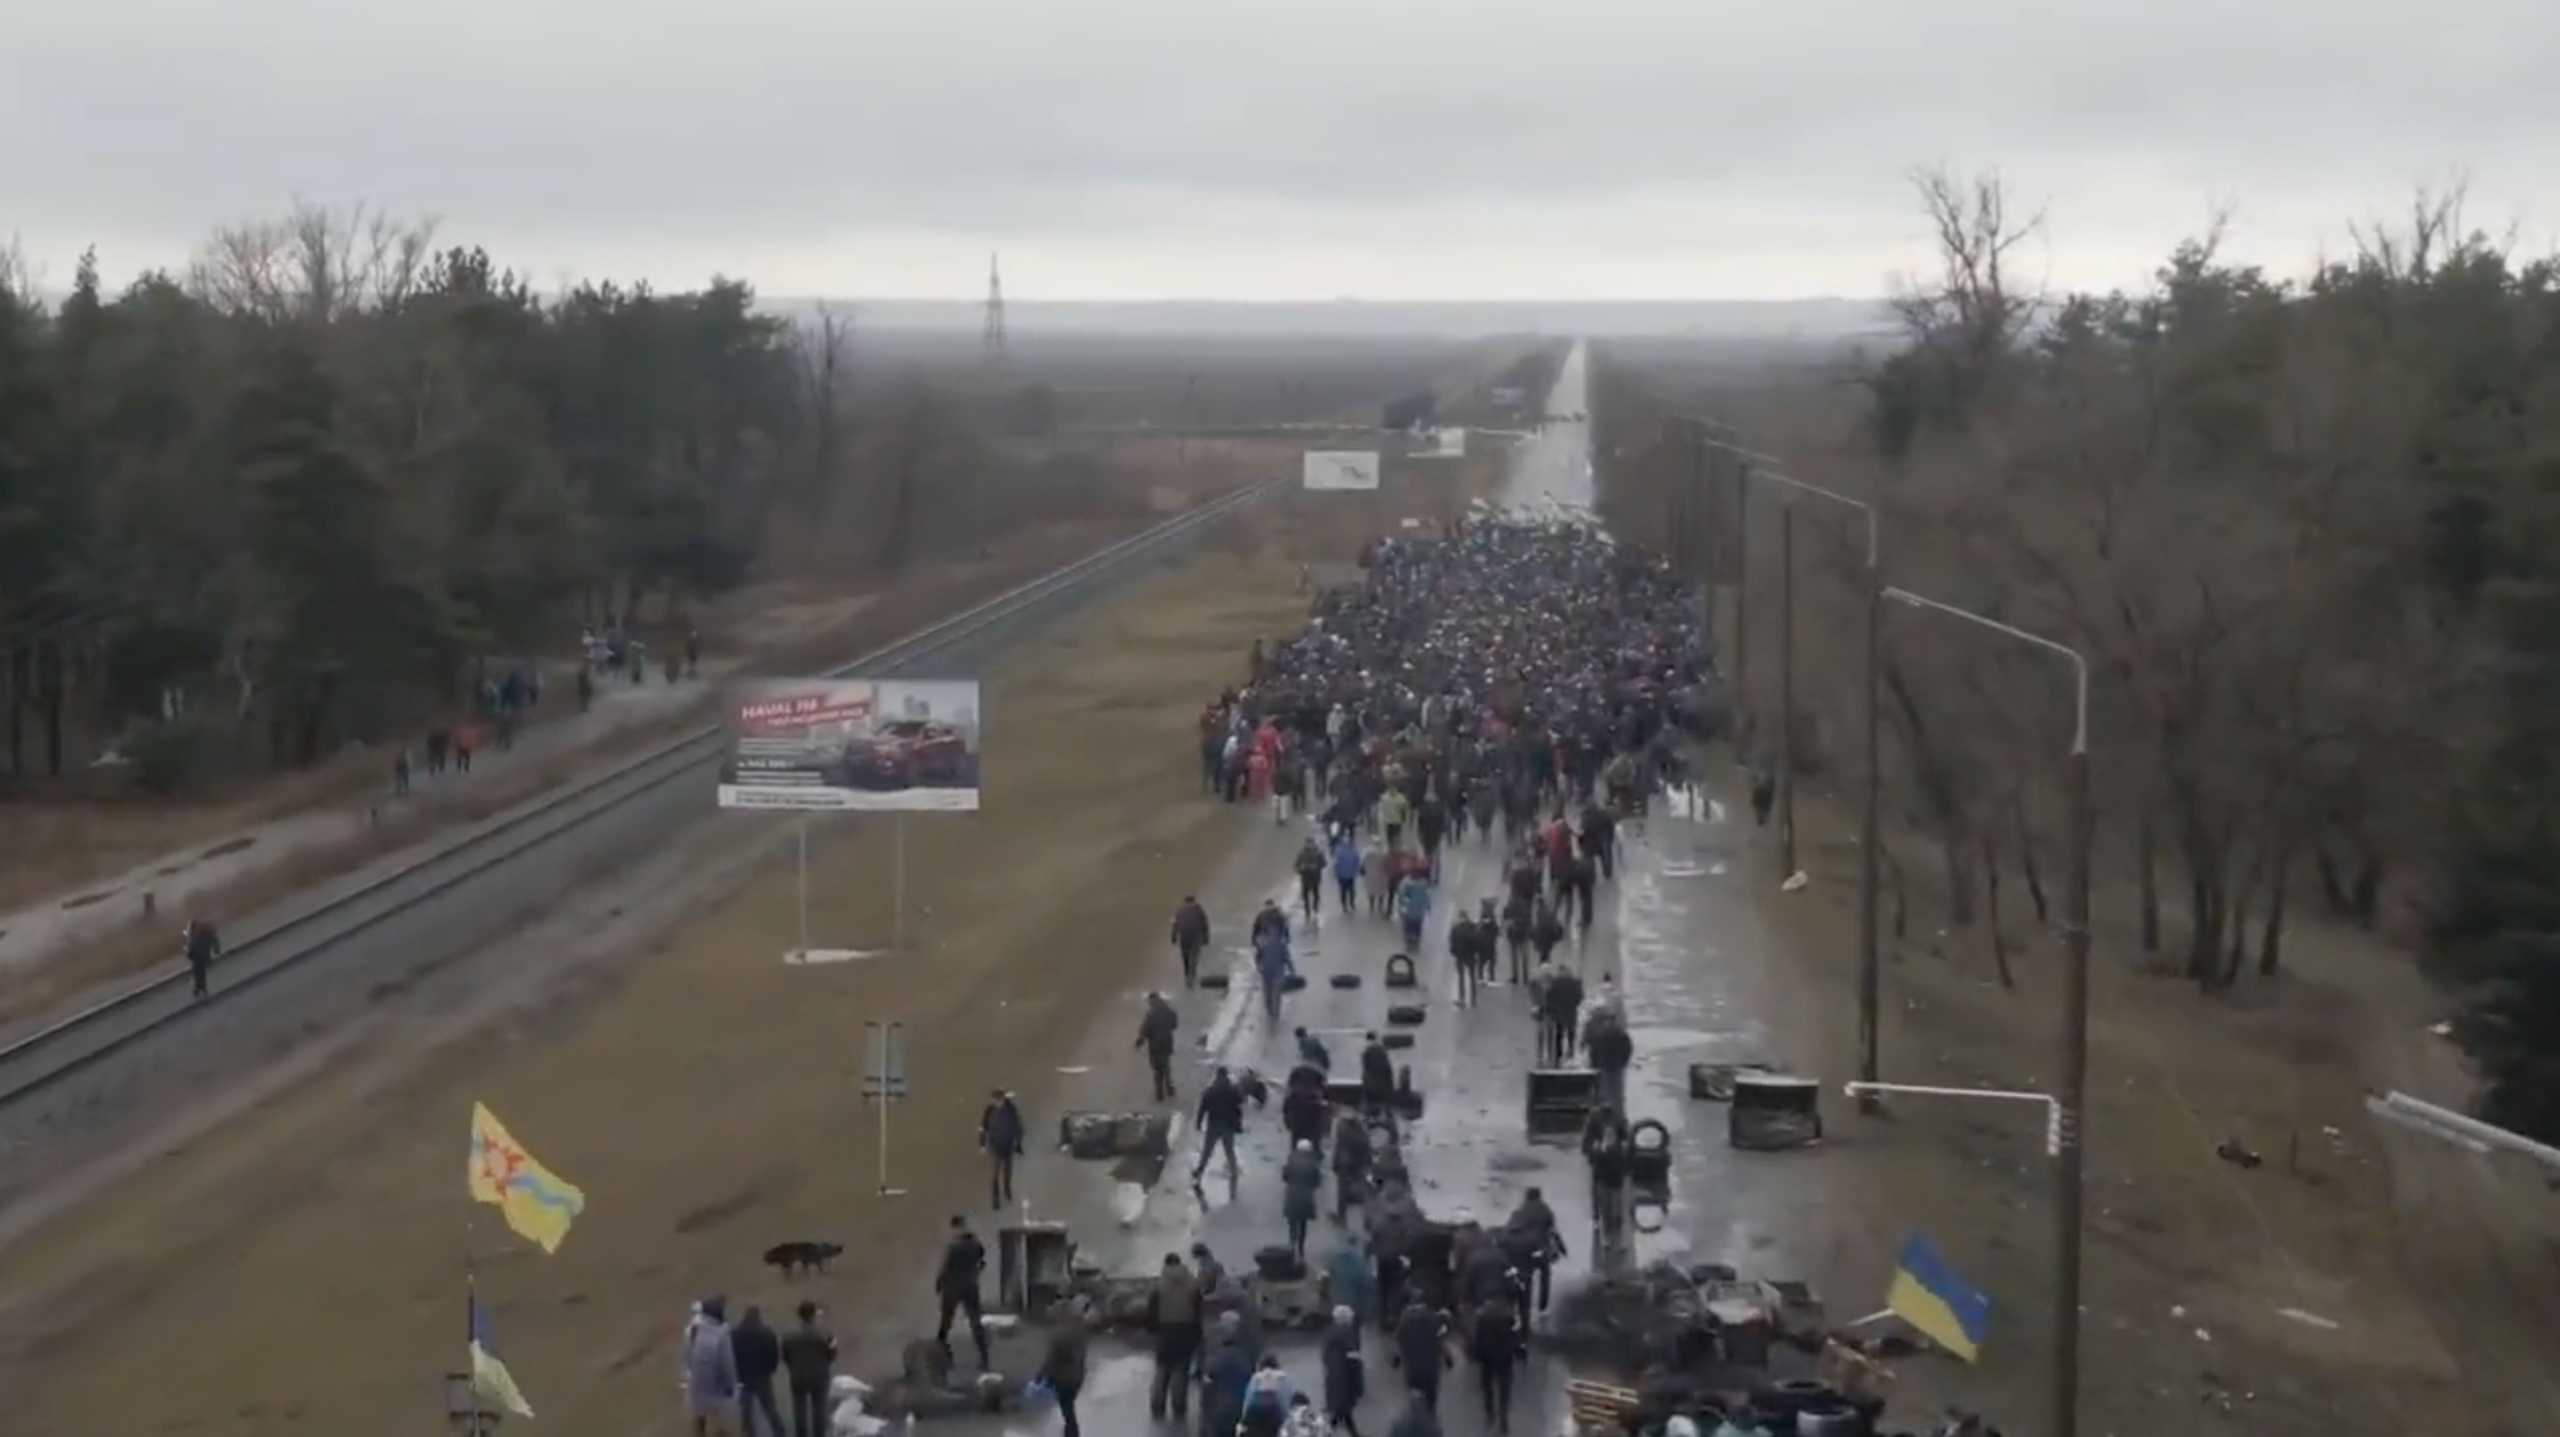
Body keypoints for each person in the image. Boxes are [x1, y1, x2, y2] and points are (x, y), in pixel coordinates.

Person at [1148, 1252, 1204, 1422]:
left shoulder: (1159, 1285)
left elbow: (1152, 1311)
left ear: (1166, 1265)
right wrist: (1197, 1333)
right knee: (1180, 1369)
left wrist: (1153, 1330)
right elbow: (1198, 1310)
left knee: (1161, 1368)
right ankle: (1178, 1407)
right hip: (1185, 1331)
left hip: (1165, 1332)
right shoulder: (1192, 1284)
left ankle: (1157, 1406)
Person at [934, 1215, 990, 1369]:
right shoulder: (976, 1244)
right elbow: (982, 1261)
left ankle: (940, 1356)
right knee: (976, 1322)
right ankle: (984, 1358)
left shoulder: (953, 1246)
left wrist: (938, 1284)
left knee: (945, 1323)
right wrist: (976, 1273)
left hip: (952, 1288)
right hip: (971, 1286)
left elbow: (945, 1268)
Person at [684, 1296, 741, 1437]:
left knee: (700, 1412)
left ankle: (700, 1432)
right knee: (720, 1415)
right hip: (716, 1382)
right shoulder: (722, 1334)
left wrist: (689, 1371)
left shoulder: (694, 1329)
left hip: (697, 1378)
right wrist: (730, 1384)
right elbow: (727, 1362)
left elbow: (687, 1353)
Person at [779, 1301, 837, 1437]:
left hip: (798, 1376)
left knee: (799, 1408)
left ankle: (801, 1434)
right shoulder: (826, 1334)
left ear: (800, 1316)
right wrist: (824, 1364)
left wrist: (793, 1367)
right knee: (819, 1408)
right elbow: (833, 1354)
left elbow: (784, 1356)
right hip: (819, 1377)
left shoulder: (788, 1336)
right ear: (813, 1316)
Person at [1469, 1288, 1522, 1433]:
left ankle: (1489, 1413)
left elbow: (1476, 1338)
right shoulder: (1509, 1314)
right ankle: (1503, 1416)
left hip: (1487, 1357)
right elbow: (1515, 1335)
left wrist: (1475, 1355)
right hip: (1505, 1357)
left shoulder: (1481, 1315)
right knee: (1505, 1388)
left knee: (1487, 1387)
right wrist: (1519, 1351)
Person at [1198, 1310, 1258, 1437]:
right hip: (1241, 1409)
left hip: (1221, 1411)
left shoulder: (1217, 1356)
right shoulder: (1245, 1354)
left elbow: (1208, 1384)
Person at [1502, 1188, 1561, 1315]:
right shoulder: (1546, 1210)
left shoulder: (1521, 1210)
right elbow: (1553, 1231)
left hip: (1525, 1248)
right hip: (1542, 1248)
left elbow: (1510, 1229)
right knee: (1545, 1276)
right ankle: (1543, 1305)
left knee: (1524, 1275)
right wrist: (1561, 1247)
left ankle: (1522, 1305)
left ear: (1527, 1196)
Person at [1390, 1299, 1451, 1415]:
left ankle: (1418, 1421)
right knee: (1431, 1402)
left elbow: (1398, 1342)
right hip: (1431, 1369)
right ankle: (1431, 1424)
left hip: (1413, 1370)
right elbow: (1441, 1341)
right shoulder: (1434, 1319)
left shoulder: (1405, 1320)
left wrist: (1396, 1360)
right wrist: (1448, 1359)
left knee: (1415, 1400)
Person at [731, 1304, 783, 1437]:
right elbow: (774, 1354)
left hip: (743, 1377)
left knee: (746, 1410)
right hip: (762, 1376)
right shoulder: (767, 1332)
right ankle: (779, 1432)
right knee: (770, 1408)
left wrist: (736, 1373)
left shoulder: (735, 1333)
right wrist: (771, 1369)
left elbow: (732, 1356)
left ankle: (749, 1433)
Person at [1038, 1305, 1090, 1437]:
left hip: (1064, 1377)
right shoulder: (1079, 1332)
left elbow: (1052, 1359)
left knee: (1067, 1408)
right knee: (1068, 1406)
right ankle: (1071, 1431)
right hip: (1078, 1375)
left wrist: (1040, 1376)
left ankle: (1072, 1433)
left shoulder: (1058, 1334)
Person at [1193, 1067, 1246, 1183]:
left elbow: (1202, 1108)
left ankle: (1200, 1170)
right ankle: (1234, 1171)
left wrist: (1198, 1123)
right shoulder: (1232, 1090)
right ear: (1226, 1076)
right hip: (1228, 1125)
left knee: (1207, 1150)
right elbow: (1240, 1101)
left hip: (1214, 1124)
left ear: (1217, 1076)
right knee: (1229, 1150)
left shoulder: (1211, 1090)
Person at [1322, 1304, 1367, 1436]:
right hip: (1346, 1381)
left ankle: (1351, 1433)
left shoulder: (1329, 1334)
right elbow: (1354, 1361)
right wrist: (1359, 1386)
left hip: (1333, 1379)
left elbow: (1324, 1357)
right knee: (1342, 1411)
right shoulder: (1348, 1334)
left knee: (1341, 1412)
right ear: (1346, 1319)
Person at [979, 1089, 1024, 1209]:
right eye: (993, 1101)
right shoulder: (989, 1110)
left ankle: (1007, 1190)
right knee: (994, 1175)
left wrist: (1019, 1145)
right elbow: (983, 1128)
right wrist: (982, 1144)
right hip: (994, 1148)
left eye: (997, 1101)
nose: (995, 1103)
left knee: (1007, 1174)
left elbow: (1018, 1127)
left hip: (1008, 1147)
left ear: (1002, 1100)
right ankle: (995, 1199)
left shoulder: (1011, 1110)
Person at [1586, 1005, 1635, 1114]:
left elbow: (1592, 1047)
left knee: (1605, 1092)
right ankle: (1616, 1115)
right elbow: (1627, 1048)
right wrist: (1623, 1062)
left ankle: (1608, 1113)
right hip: (1613, 1066)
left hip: (1607, 1066)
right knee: (1615, 1093)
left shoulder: (1596, 1031)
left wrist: (1594, 1063)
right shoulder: (1618, 1032)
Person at [1283, 1138, 1324, 1264]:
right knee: (1303, 1224)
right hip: (1306, 1197)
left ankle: (1291, 1244)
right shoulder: (1313, 1162)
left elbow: (1285, 1176)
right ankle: (1301, 1249)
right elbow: (1317, 1181)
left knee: (1292, 1222)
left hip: (1292, 1195)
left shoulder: (1291, 1159)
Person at [1138, 991, 1181, 1102]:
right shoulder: (1168, 1010)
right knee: (1166, 1065)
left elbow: (1145, 1030)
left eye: (1149, 1001)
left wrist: (1140, 1041)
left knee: (1157, 1069)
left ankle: (1159, 1093)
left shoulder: (1150, 1014)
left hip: (1155, 1046)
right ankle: (1170, 1088)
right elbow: (1175, 1025)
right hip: (1167, 1043)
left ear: (1152, 1001)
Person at [1331, 1109, 1372, 1222]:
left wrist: (1335, 1163)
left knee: (1342, 1190)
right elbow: (1366, 1148)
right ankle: (1366, 1218)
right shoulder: (1361, 1132)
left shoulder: (1342, 1130)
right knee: (1360, 1189)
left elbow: (1339, 1149)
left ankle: (1341, 1216)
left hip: (1344, 1164)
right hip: (1356, 1164)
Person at [1256, 925, 1296, 1028]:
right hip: (1270, 972)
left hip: (1272, 972)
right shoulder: (1266, 944)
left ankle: (1274, 1012)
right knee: (1272, 993)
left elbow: (1287, 958)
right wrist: (1292, 971)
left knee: (1273, 993)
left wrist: (1292, 970)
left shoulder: (1271, 944)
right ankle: (1272, 1011)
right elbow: (1258, 957)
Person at [1172, 895, 1212, 989]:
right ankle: (1191, 976)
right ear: (1194, 901)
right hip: (1195, 936)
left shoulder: (1179, 911)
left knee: (1185, 955)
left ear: (1185, 901)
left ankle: (1187, 975)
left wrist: (1173, 937)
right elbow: (1205, 925)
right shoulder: (1199, 910)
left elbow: (1175, 924)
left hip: (1184, 935)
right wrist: (1206, 938)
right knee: (1193, 956)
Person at [183, 917, 223, 999]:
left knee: (198, 971)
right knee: (201, 971)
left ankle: (199, 988)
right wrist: (217, 951)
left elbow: (191, 947)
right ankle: (200, 988)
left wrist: (187, 952)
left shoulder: (194, 935)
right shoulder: (207, 932)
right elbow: (215, 940)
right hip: (204, 955)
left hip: (196, 956)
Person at [1446, 910, 1479, 1007]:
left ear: (1460, 917)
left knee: (1461, 977)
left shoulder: (1456, 928)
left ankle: (1462, 999)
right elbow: (1477, 940)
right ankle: (1473, 999)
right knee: (1472, 977)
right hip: (1471, 955)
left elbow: (1452, 942)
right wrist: (1475, 952)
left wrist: (1454, 952)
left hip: (1460, 955)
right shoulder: (1473, 927)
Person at [1396, 867, 1432, 952]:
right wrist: (1428, 907)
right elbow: (1427, 897)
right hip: (1418, 912)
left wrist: (1402, 905)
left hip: (1409, 911)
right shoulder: (1424, 884)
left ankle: (1409, 944)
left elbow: (1402, 896)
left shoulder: (1408, 885)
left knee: (1408, 928)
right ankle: (1415, 944)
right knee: (1417, 928)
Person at [1295, 835, 1327, 922]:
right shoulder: (1301, 853)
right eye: (1308, 843)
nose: (1309, 845)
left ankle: (1315, 908)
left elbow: (1324, 863)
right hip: (1305, 878)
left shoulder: (1318, 853)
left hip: (1315, 877)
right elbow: (1296, 866)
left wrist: (1316, 866)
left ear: (1313, 843)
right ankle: (1307, 910)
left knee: (1316, 894)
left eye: (1311, 843)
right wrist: (1301, 869)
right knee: (1305, 895)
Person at [1331, 829, 1361, 914]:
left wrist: (1336, 872)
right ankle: (1350, 904)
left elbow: (1336, 863)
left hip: (1343, 875)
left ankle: (1346, 905)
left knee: (1344, 891)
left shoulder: (1339, 850)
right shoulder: (1353, 850)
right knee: (1350, 890)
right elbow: (1357, 860)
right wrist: (1356, 870)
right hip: (1349, 874)